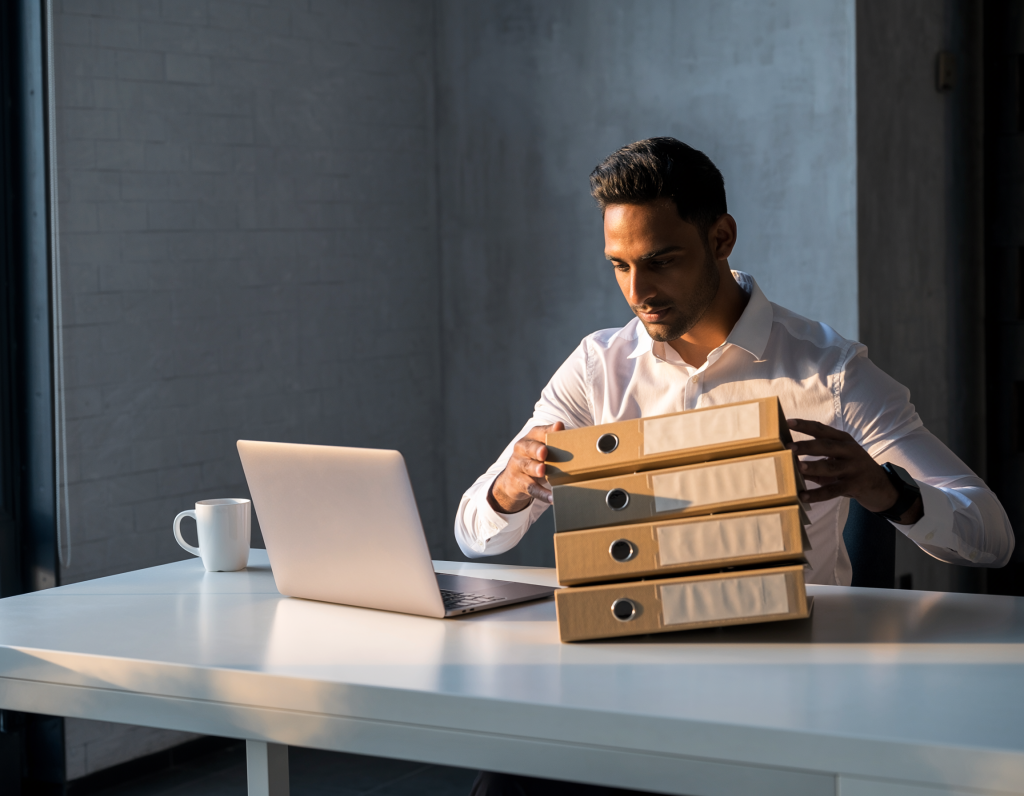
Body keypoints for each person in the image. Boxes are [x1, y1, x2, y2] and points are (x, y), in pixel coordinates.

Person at [457, 138, 1015, 796]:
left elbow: (991, 537)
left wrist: (885, 489)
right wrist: (510, 487)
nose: (639, 291)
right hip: (622, 678)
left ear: (721, 238)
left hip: (784, 689)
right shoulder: (594, 369)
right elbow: (474, 533)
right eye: (619, 266)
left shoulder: (828, 372)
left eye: (661, 261)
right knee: (509, 780)